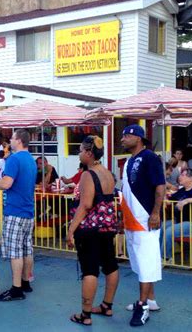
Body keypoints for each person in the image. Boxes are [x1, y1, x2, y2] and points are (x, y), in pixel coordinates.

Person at [0, 129, 37, 301]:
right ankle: (25, 282)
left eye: (12, 138)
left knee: (15, 251)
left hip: (15, 211)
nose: (9, 141)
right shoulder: (31, 160)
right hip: (28, 211)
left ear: (18, 140)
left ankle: (16, 288)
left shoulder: (14, 159)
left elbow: (6, 183)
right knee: (27, 249)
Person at [67, 136, 118, 326]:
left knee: (90, 270)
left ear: (89, 153)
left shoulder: (88, 175)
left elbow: (86, 204)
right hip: (107, 226)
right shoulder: (106, 172)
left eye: (80, 150)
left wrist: (71, 229)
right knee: (110, 265)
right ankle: (107, 305)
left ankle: (85, 314)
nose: (79, 154)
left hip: (90, 229)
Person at [120, 124, 165, 326]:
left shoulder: (149, 158)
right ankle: (151, 300)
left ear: (138, 138)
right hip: (131, 219)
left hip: (145, 218)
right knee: (139, 262)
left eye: (126, 136)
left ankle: (142, 305)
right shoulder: (129, 161)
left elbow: (160, 186)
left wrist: (155, 212)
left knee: (146, 262)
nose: (122, 139)